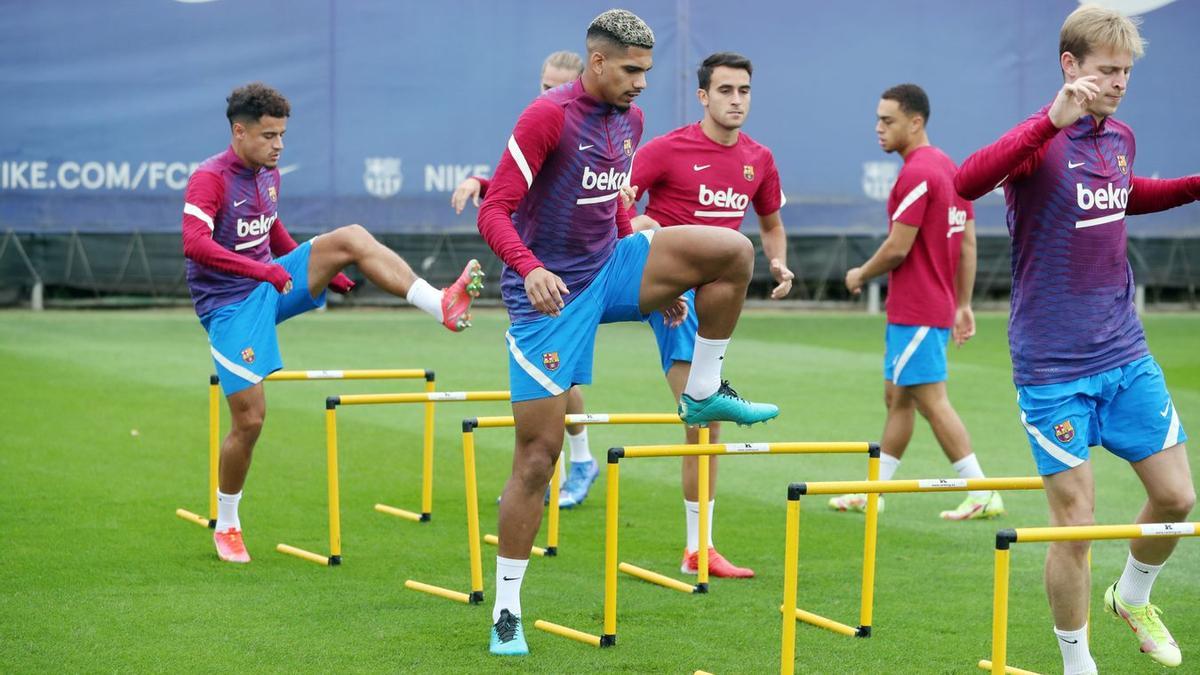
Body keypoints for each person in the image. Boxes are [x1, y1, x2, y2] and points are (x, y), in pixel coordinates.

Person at [476, 9, 778, 655]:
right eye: (632, 71)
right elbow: (494, 208)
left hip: (610, 266)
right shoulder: (547, 117)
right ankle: (506, 607)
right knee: (538, 456)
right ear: (598, 62)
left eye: (648, 70)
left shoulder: (629, 119)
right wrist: (528, 269)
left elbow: (613, 199)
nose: (642, 83)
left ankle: (703, 388)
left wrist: (654, 288)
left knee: (732, 252)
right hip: (547, 295)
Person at [956, 5, 1197, 672]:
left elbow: (1124, 193)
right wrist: (1050, 118)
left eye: (1125, 72)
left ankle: (1133, 595)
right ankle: (1076, 662)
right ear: (1070, 65)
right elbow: (966, 181)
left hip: (1124, 352)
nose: (1118, 82)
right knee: (1077, 524)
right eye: (1105, 70)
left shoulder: (1120, 136)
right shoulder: (1040, 140)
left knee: (1178, 496)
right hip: (1053, 366)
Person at [181, 82, 484, 564]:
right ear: (238, 132)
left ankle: (439, 303)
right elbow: (194, 245)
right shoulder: (209, 178)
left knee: (351, 237)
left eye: (282, 135)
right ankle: (229, 521)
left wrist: (325, 272)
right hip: (229, 306)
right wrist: (264, 270)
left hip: (271, 283)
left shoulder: (268, 174)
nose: (279, 145)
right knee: (251, 418)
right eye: (268, 135)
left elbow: (271, 228)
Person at [624, 51, 795, 578]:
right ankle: (698, 548)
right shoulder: (666, 149)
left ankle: (700, 548)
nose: (736, 99)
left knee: (707, 426)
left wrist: (779, 261)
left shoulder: (758, 158)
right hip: (670, 291)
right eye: (725, 90)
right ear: (703, 96)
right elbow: (616, 207)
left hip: (716, 298)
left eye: (743, 90)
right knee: (705, 418)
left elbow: (769, 220)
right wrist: (653, 258)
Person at [830, 83, 1003, 521]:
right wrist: (962, 303)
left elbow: (897, 248)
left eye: (887, 121)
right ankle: (874, 493)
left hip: (917, 309)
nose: (878, 129)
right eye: (877, 119)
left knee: (929, 399)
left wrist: (859, 273)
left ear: (915, 122)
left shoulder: (916, 173)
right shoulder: (950, 167)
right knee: (898, 398)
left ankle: (981, 491)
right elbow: (966, 244)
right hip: (934, 307)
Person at [451, 51, 604, 510]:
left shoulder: (592, 130)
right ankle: (568, 464)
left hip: (573, 273)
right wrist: (481, 181)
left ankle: (569, 464)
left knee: (556, 377)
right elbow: (514, 181)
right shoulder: (541, 122)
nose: (548, 92)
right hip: (531, 270)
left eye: (558, 84)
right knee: (558, 377)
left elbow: (598, 194)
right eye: (543, 84)